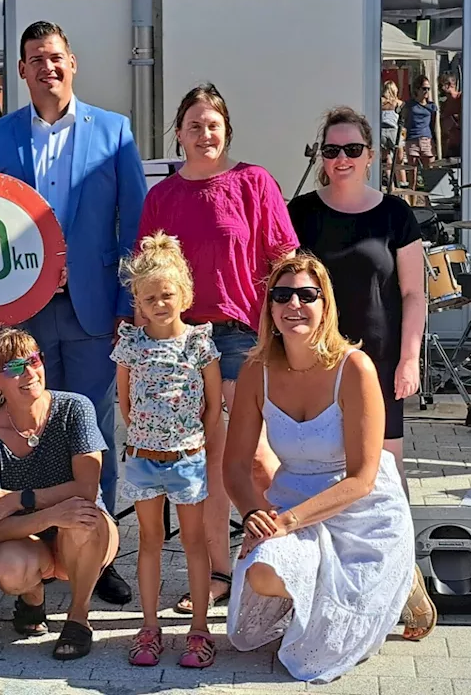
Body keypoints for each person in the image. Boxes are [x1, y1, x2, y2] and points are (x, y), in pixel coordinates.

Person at [0, 20, 144, 605]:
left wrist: (126, 304)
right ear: (21, 70)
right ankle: (40, 555)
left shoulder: (114, 132)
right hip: (24, 318)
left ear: (73, 63)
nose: (47, 67)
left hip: (94, 312)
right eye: (35, 59)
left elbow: (134, 229)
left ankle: (97, 555)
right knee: (32, 431)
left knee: (93, 430)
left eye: (56, 57)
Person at [222, 253, 436, 684]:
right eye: (282, 296)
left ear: (325, 305)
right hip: (292, 501)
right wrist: (253, 516)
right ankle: (333, 585)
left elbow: (363, 478)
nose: (293, 305)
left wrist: (285, 523)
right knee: (263, 573)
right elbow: (234, 465)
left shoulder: (353, 367)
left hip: (363, 509)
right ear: (269, 308)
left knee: (313, 657)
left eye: (307, 295)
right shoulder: (255, 370)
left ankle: (399, 581)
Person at [136, 84, 299, 615]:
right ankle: (219, 574)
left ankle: (288, 551)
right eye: (193, 125)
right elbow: (146, 274)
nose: (204, 134)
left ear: (226, 129)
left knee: (252, 457)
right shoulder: (161, 197)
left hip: (238, 335)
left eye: (213, 124)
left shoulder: (253, 182)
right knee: (202, 464)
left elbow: (285, 261)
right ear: (178, 133)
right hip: (179, 341)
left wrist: (285, 328)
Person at [288, 107, 425, 496]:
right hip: (315, 358)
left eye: (352, 149)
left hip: (379, 358)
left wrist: (410, 359)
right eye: (331, 151)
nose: (341, 159)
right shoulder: (300, 213)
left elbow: (414, 294)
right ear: (321, 159)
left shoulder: (395, 214)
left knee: (386, 472)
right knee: (318, 468)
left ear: (370, 155)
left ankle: (399, 555)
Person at [0, 329, 120, 661]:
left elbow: (86, 489)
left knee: (81, 516)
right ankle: (32, 600)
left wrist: (19, 499)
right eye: (13, 368)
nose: (28, 373)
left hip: (86, 534)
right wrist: (49, 514)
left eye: (33, 360)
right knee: (8, 566)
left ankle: (78, 618)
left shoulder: (75, 408)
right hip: (28, 539)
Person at [114, 233, 222, 669]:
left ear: (185, 295)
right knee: (149, 542)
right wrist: (146, 436)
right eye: (150, 297)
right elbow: (124, 401)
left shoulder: (198, 343)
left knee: (195, 542)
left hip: (186, 460)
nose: (160, 303)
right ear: (138, 301)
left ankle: (199, 628)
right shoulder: (130, 345)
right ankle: (149, 625)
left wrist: (195, 440)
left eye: (167, 294)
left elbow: (213, 403)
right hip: (142, 460)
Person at [402, 75, 438, 167]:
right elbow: (404, 120)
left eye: (428, 89)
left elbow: (435, 124)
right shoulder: (409, 105)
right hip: (412, 139)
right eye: (424, 88)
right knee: (412, 170)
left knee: (430, 170)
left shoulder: (432, 106)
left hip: (427, 140)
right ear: (417, 89)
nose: (426, 91)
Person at [379, 81, 402, 187]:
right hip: (394, 131)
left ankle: (390, 182)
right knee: (399, 159)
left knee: (386, 157)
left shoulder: (380, 102)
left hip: (382, 131)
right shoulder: (398, 103)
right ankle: (401, 182)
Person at [437, 73, 462, 161]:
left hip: (462, 143)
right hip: (448, 145)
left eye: (441, 85)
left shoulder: (461, 98)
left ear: (449, 85)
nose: (439, 89)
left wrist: (453, 120)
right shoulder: (444, 104)